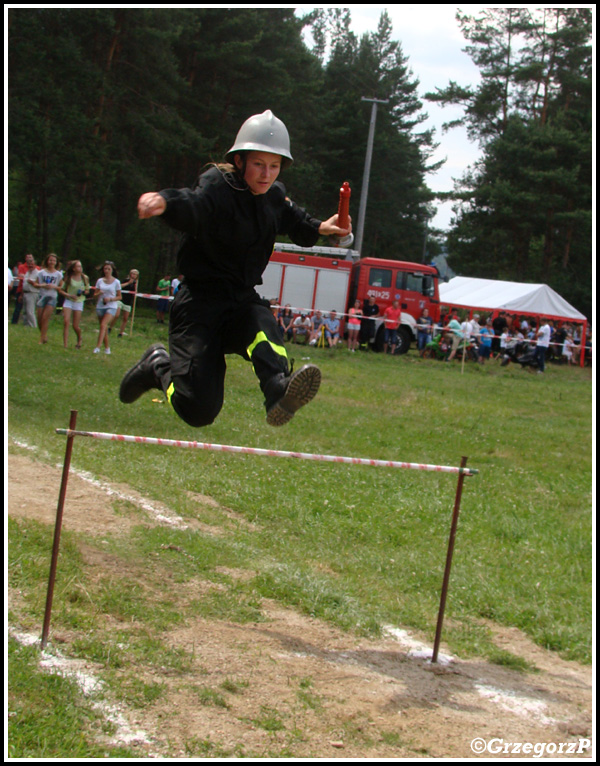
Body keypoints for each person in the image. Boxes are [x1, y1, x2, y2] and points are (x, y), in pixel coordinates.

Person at [119, 110, 350, 427]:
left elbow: (296, 221)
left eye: (274, 166)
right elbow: (195, 204)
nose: (266, 174)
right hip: (199, 306)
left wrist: (324, 227)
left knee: (261, 322)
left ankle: (278, 390)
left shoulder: (274, 197)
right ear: (240, 161)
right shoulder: (218, 186)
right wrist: (165, 202)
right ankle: (157, 366)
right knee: (199, 410)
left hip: (240, 302)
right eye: (259, 164)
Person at [59, 260, 90, 349]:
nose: (80, 268)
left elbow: (88, 290)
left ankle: (79, 338)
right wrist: (69, 295)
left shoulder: (84, 278)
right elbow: (61, 290)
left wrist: (84, 292)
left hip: (79, 301)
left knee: (75, 325)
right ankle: (65, 344)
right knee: (66, 321)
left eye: (81, 266)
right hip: (69, 300)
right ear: (73, 269)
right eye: (78, 266)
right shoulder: (69, 277)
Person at [93, 260, 122, 355]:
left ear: (112, 270)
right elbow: (95, 295)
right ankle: (107, 348)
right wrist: (99, 293)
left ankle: (97, 347)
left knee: (103, 325)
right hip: (100, 306)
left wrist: (110, 299)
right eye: (105, 268)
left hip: (111, 306)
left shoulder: (116, 282)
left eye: (109, 269)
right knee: (103, 328)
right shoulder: (100, 281)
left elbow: (119, 296)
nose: (107, 270)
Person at [34, 253, 63, 345]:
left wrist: (54, 287)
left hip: (52, 297)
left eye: (54, 260)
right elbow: (35, 284)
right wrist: (43, 285)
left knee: (45, 318)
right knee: (39, 319)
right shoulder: (41, 273)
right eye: (50, 260)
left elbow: (61, 287)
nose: (52, 262)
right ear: (47, 261)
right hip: (42, 296)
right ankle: (44, 335)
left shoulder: (58, 274)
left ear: (56, 262)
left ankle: (41, 339)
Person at [112, 268, 139, 337]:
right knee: (116, 315)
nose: (133, 275)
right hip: (121, 299)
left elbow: (135, 292)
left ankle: (121, 332)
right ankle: (110, 327)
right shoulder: (126, 280)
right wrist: (128, 283)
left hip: (128, 302)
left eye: (135, 274)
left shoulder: (136, 283)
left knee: (125, 318)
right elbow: (119, 287)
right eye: (132, 274)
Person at [21, 256, 40, 327]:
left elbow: (39, 284)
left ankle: (33, 325)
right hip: (25, 292)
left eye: (32, 264)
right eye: (29, 264)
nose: (30, 265)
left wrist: (32, 282)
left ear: (35, 265)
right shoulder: (27, 273)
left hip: (32, 293)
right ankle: (26, 324)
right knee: (25, 311)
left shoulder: (38, 273)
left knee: (30, 311)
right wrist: (21, 294)